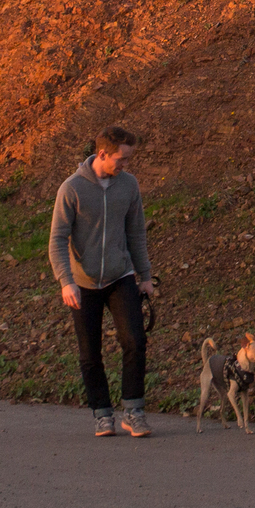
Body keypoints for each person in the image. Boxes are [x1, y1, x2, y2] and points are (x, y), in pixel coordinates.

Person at [50, 124, 156, 437]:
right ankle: (102, 414)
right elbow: (57, 239)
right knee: (89, 353)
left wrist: (145, 275)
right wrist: (65, 281)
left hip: (119, 276)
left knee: (135, 341)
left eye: (128, 160)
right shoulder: (71, 189)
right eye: (121, 160)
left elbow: (136, 232)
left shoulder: (129, 186)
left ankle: (133, 411)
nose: (125, 165)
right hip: (82, 283)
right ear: (102, 154)